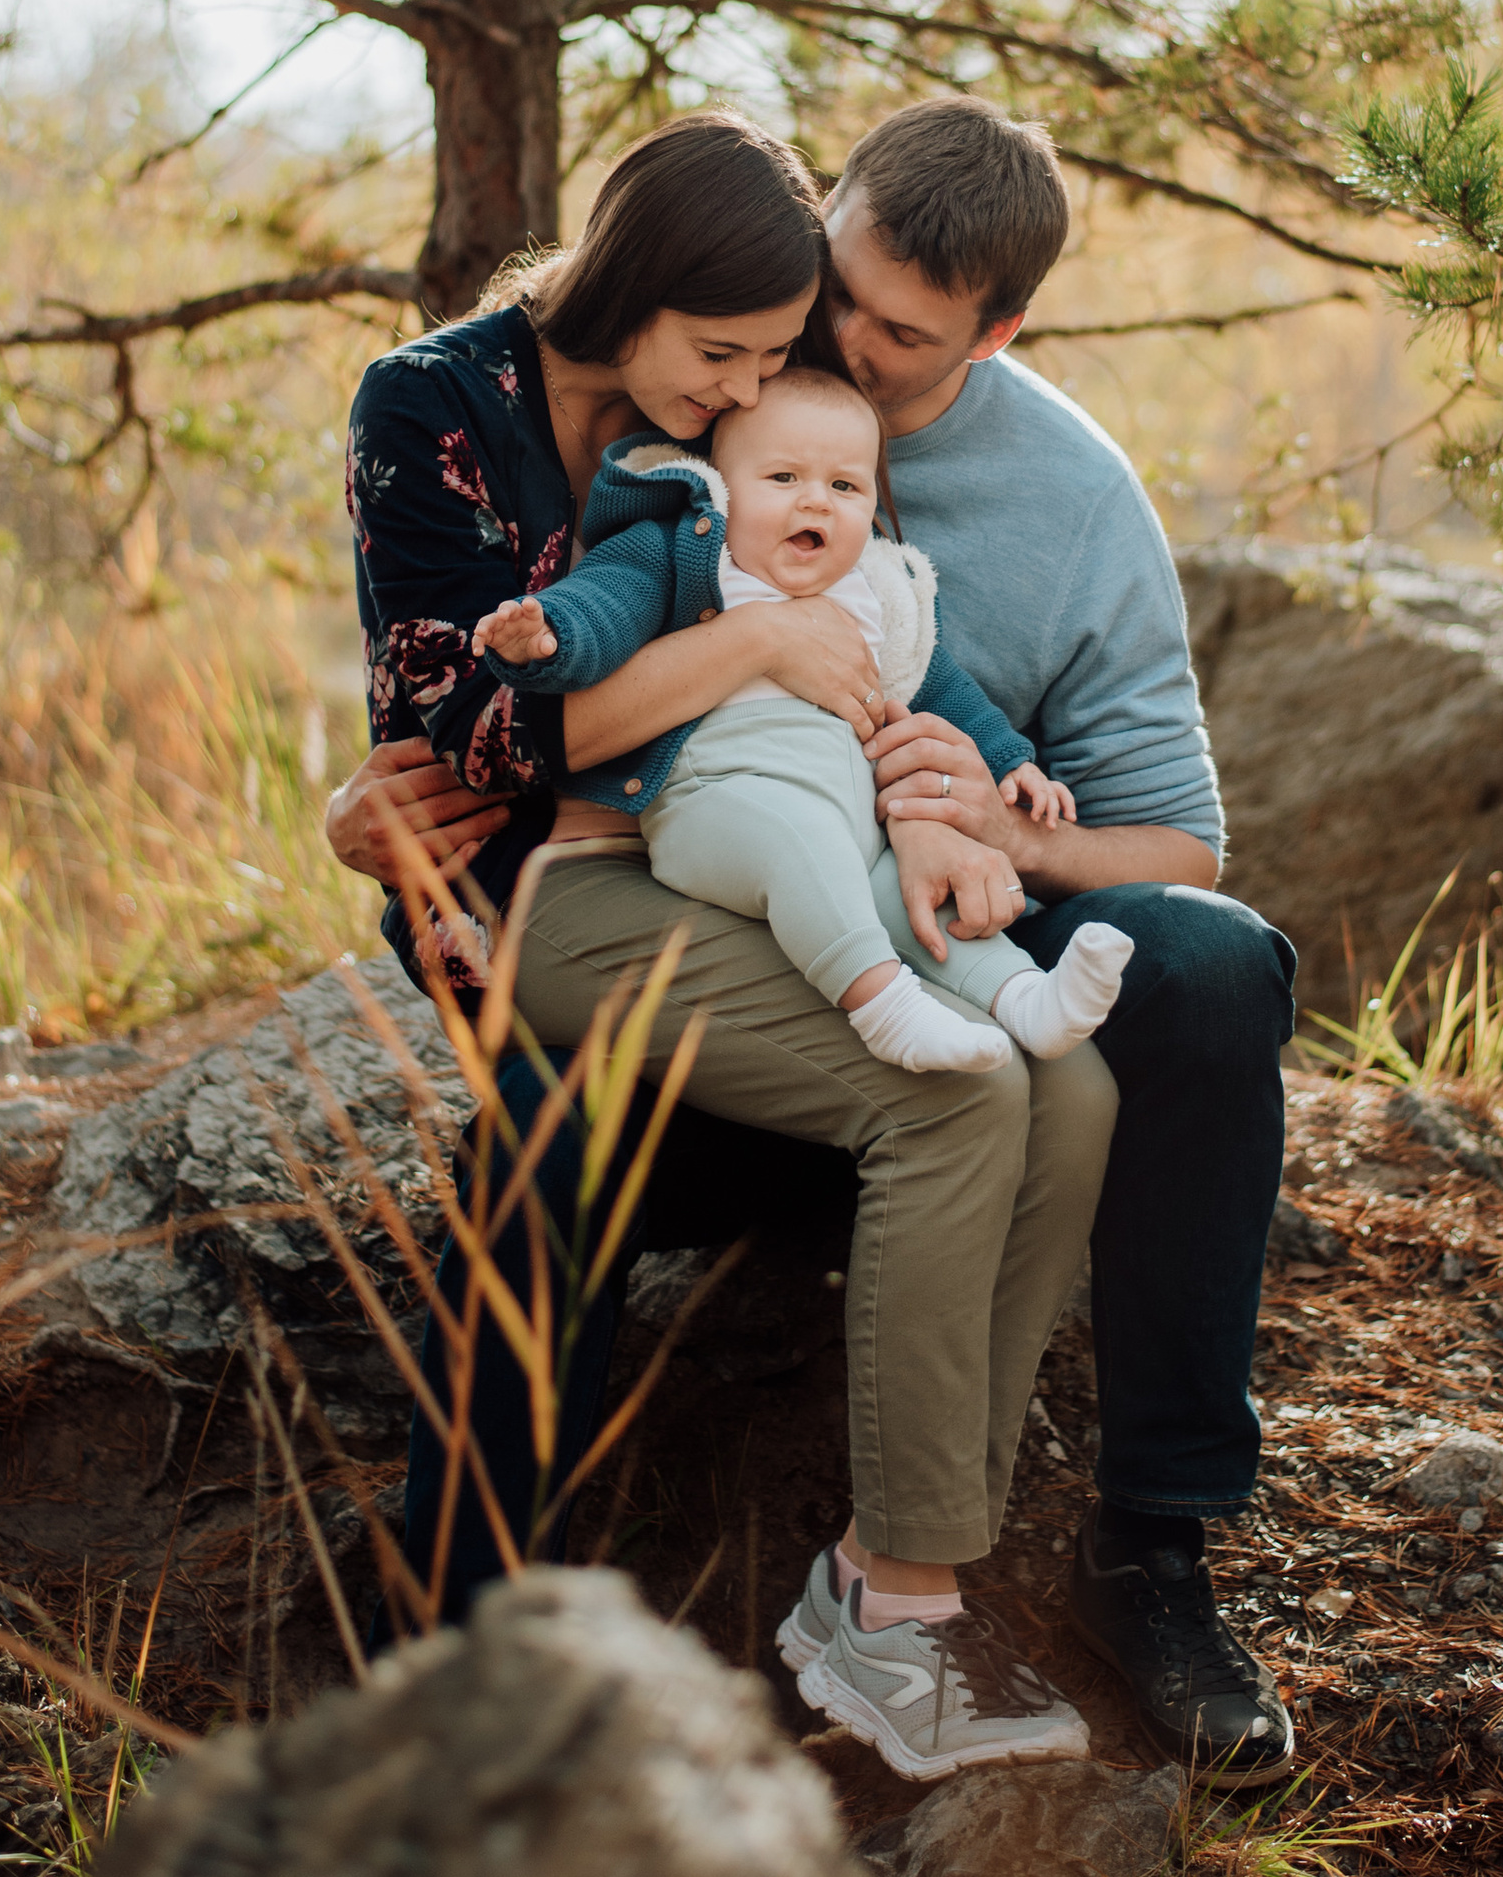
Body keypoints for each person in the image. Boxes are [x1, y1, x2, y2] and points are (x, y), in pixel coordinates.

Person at [334, 95, 1299, 1785]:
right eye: (803, 307)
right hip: (639, 931)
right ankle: (464, 1659)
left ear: (994, 334)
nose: (811, 354)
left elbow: (1174, 834)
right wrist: (748, 653)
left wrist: (981, 811)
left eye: (878, 335)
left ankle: (1111, 1552)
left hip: (896, 938)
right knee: (549, 1145)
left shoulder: (1063, 494)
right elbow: (485, 714)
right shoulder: (579, 420)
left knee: (1163, 1000)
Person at [472, 363, 1137, 1074]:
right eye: (784, 479)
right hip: (719, 806)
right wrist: (549, 637)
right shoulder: (689, 551)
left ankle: (1025, 1000)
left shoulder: (879, 592)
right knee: (803, 844)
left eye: (844, 487)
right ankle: (886, 1008)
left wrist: (1012, 763)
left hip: (855, 826)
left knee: (911, 895)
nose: (816, 503)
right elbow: (608, 602)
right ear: (721, 486)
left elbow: (941, 688)